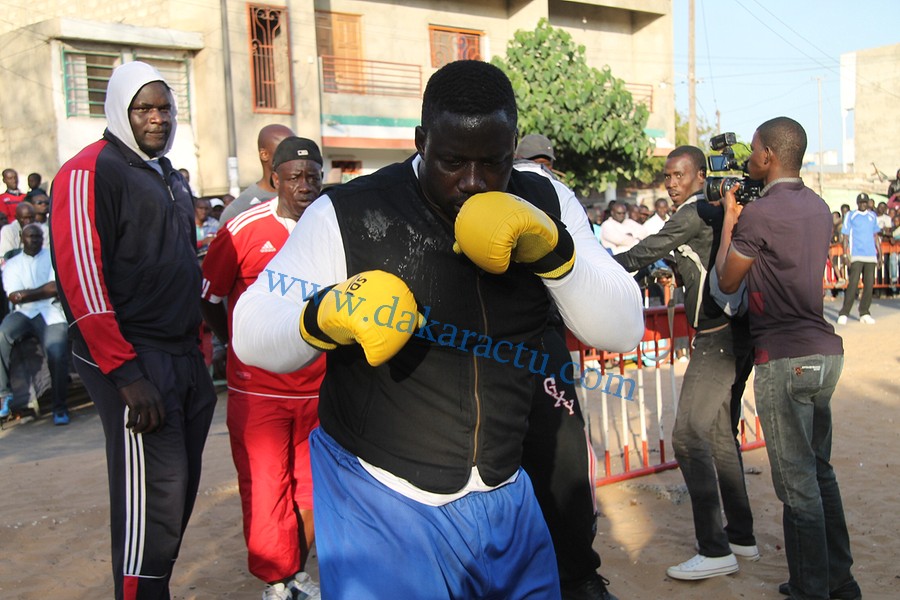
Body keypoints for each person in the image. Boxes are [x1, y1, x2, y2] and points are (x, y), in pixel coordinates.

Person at [231, 59, 644, 600]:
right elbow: (250, 327)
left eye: (492, 162)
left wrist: (558, 255)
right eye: (451, 160)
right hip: (380, 492)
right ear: (422, 140)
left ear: (512, 145)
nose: (472, 182)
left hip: (505, 487)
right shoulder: (350, 211)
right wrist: (323, 315)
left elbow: (622, 328)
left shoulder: (545, 199)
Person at [49, 61, 217, 600]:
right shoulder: (87, 171)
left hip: (182, 357)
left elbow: (178, 265)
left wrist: (201, 346)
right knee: (151, 504)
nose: (157, 118)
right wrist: (125, 373)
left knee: (175, 501)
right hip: (134, 362)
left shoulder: (167, 174)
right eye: (144, 108)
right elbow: (82, 279)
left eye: (165, 108)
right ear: (120, 110)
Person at [716, 116, 860, 600]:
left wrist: (731, 221)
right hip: (824, 352)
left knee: (797, 485)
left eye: (754, 149)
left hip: (783, 356)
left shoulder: (759, 215)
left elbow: (728, 280)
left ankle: (810, 589)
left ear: (769, 157)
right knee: (820, 473)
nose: (749, 157)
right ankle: (840, 582)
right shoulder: (819, 207)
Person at [615, 145, 758, 581]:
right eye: (668, 177)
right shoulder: (717, 211)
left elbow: (642, 252)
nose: (672, 184)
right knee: (718, 437)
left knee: (687, 438)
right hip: (737, 334)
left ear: (701, 176)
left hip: (717, 340)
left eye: (679, 175)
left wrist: (591, 273)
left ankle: (714, 549)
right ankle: (742, 538)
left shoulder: (695, 211)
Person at [200, 137, 327, 600]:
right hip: (260, 393)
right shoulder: (242, 230)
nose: (305, 186)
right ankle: (276, 581)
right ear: (274, 179)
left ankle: (295, 572)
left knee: (312, 490)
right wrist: (241, 342)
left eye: (313, 176)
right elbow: (210, 300)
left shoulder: (331, 229)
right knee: (266, 488)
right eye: (295, 177)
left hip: (318, 391)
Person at [513, 134, 620, 599]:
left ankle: (578, 575)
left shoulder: (558, 201)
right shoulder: (475, 195)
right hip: (481, 350)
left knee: (566, 463)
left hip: (545, 345)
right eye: (533, 163)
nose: (542, 170)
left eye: (547, 164)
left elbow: (592, 279)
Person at [0, 224, 69, 424]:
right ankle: (4, 394)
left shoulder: (51, 257)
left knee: (57, 352)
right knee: (2, 335)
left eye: (38, 237)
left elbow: (55, 288)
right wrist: (41, 291)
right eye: (30, 237)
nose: (35, 240)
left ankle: (59, 407)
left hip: (51, 312)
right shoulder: (13, 264)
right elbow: (14, 297)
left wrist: (26, 293)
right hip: (24, 314)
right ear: (22, 237)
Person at [219, 124, 294, 224]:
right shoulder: (238, 209)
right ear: (264, 154)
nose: (294, 155)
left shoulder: (306, 199)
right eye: (286, 150)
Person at [837, 192, 881, 325]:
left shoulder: (872, 216)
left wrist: (879, 254)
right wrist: (845, 254)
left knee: (869, 285)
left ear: (868, 203)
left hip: (870, 255)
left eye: (865, 202)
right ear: (857, 203)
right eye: (861, 202)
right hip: (856, 254)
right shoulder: (851, 215)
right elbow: (845, 236)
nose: (863, 205)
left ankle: (864, 312)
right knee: (853, 284)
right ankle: (844, 312)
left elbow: (876, 236)